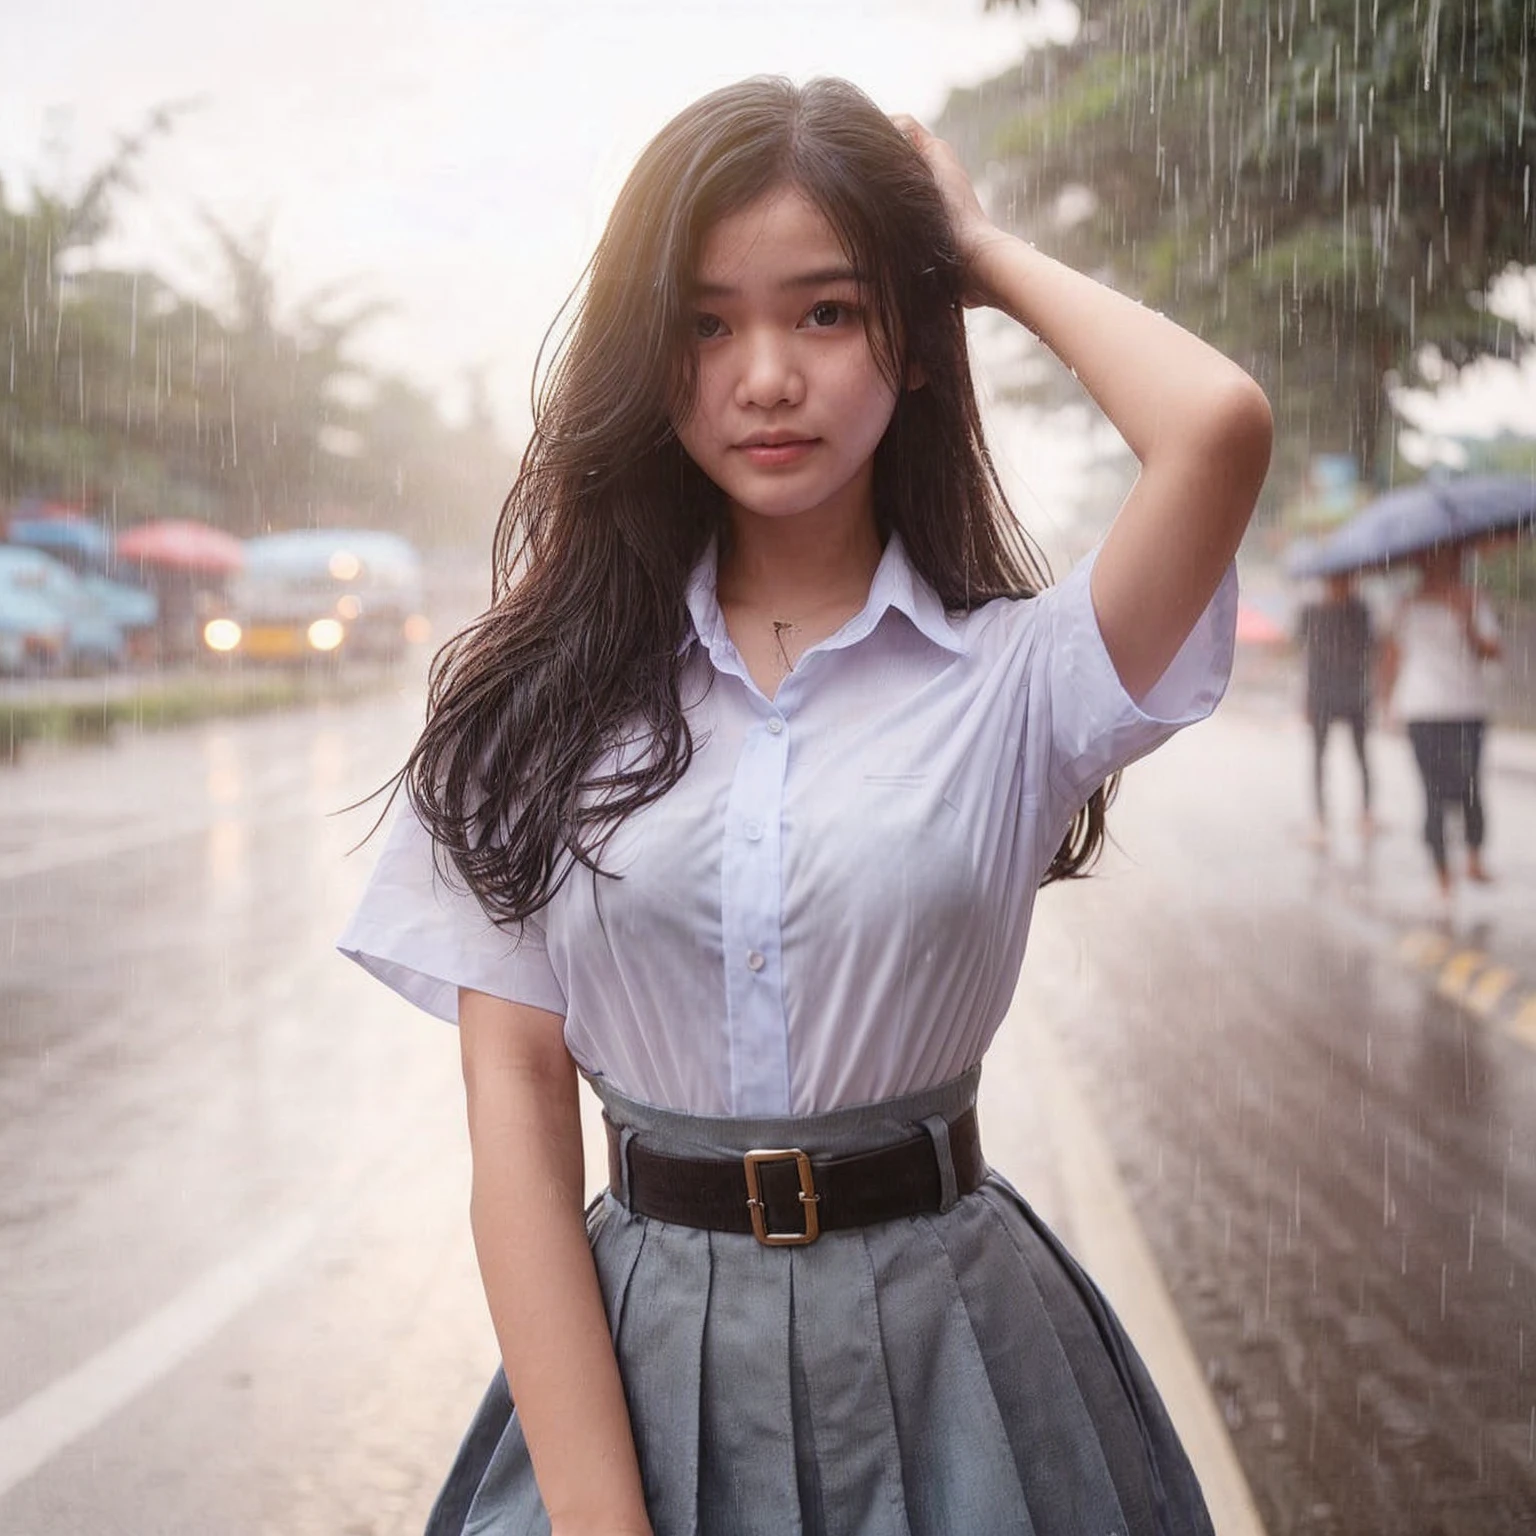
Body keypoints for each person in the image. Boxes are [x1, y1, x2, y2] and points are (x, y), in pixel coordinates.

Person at [338, 77, 1271, 1536]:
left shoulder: (1020, 679)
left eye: (826, 313)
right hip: (641, 1360)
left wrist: (970, 249)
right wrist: (602, 1521)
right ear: (648, 361)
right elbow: (517, 1100)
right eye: (706, 324)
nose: (764, 374)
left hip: (959, 1349)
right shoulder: (533, 707)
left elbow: (1216, 424)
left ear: (907, 339)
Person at [1380, 544, 1503, 899]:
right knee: (1433, 791)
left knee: (1469, 787)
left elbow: (1493, 651)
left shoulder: (1472, 599)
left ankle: (1474, 858)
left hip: (1466, 708)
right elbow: (1392, 656)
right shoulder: (1406, 607)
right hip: (1423, 709)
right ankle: (1442, 874)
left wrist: (1467, 622)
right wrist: (1387, 703)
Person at [1295, 571, 1375, 843]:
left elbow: (1370, 648)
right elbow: (1304, 654)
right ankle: (1319, 817)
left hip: (1354, 692)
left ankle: (1366, 812)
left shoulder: (1360, 610)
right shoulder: (1312, 611)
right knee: (1319, 756)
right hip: (1321, 693)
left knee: (1362, 755)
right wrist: (1305, 697)